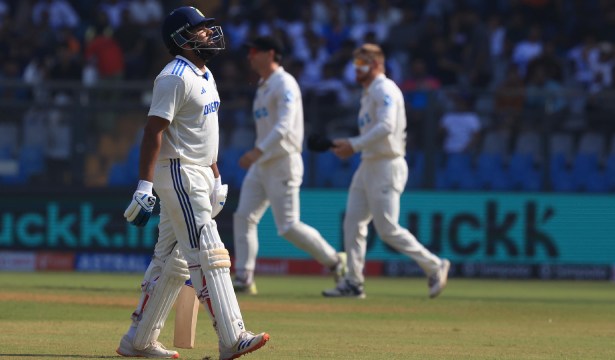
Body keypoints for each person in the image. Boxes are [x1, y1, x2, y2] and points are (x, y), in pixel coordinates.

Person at [116, 6, 269, 359]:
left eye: (205, 28)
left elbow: (204, 130)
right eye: (199, 30)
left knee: (172, 259)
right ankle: (232, 338)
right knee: (208, 251)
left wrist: (215, 173)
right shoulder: (173, 76)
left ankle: (138, 341)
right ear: (181, 39)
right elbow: (154, 130)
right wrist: (144, 184)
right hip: (179, 171)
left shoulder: (204, 73)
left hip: (199, 171)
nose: (207, 34)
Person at [322, 43, 450, 299]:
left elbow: (387, 127)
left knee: (387, 229)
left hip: (387, 164)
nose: (357, 70)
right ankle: (353, 282)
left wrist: (354, 144)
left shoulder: (384, 88)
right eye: (355, 64)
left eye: (363, 64)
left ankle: (435, 265)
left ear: (378, 64)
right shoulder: (368, 93)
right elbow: (373, 132)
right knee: (353, 223)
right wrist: (351, 144)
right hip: (369, 163)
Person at [232, 36, 346, 295]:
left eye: (254, 51)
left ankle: (336, 261)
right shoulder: (263, 86)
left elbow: (284, 125)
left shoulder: (285, 83)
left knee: (288, 226)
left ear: (270, 53)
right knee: (244, 217)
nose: (249, 56)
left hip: (283, 161)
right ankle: (244, 278)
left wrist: (257, 150)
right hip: (263, 163)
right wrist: (259, 153)